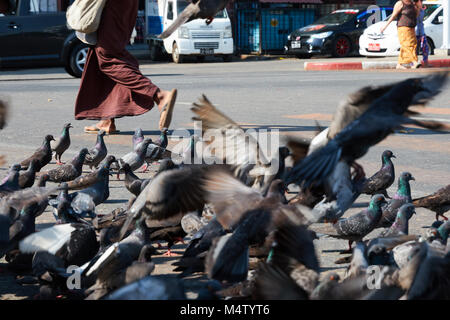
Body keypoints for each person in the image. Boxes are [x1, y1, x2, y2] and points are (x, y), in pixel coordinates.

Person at [75, 0, 177, 134]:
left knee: (108, 59)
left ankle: (159, 95)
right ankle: (107, 119)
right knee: (101, 56)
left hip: (113, 6)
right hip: (125, 6)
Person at [381, 0, 421, 69]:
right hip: (403, 27)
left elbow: (416, 15)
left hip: (412, 27)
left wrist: (418, 7)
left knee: (413, 44)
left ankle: (399, 64)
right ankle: (414, 61)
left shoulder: (412, 4)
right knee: (407, 45)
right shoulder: (400, 3)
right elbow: (393, 16)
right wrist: (385, 26)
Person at [415, 0, 429, 67]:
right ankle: (414, 62)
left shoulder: (422, 10)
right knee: (415, 49)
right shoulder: (413, 9)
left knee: (425, 47)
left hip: (421, 31)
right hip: (414, 32)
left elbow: (421, 21)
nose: (422, 3)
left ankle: (425, 62)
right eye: (420, 2)